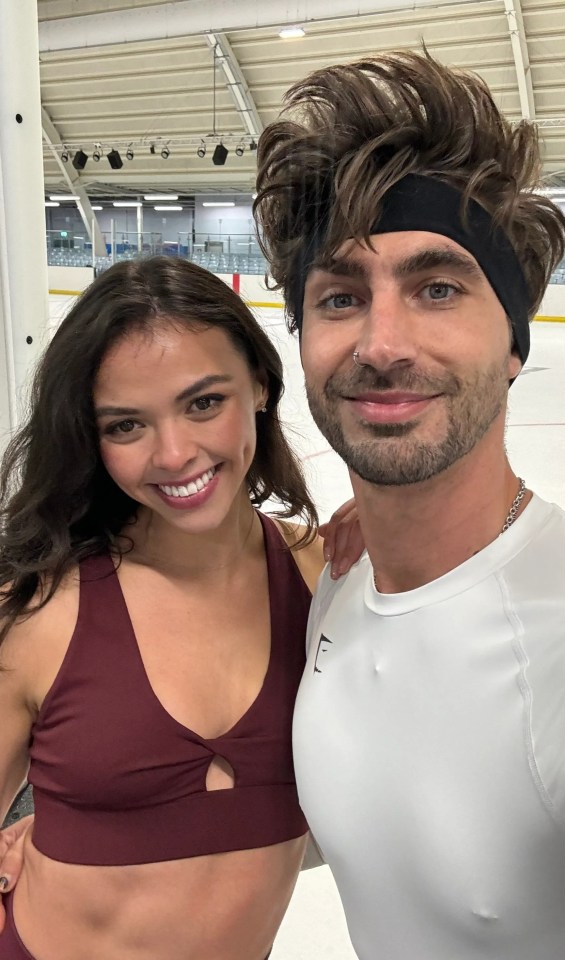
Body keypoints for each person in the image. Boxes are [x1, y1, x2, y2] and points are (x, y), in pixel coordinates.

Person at [253, 49, 565, 960]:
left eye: (436, 288)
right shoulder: (334, 581)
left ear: (512, 341)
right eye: (341, 296)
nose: (382, 344)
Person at [0, 255, 359, 960]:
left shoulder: (332, 582)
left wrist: (390, 522)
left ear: (258, 383)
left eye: (203, 403)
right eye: (126, 426)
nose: (174, 453)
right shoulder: (39, 610)